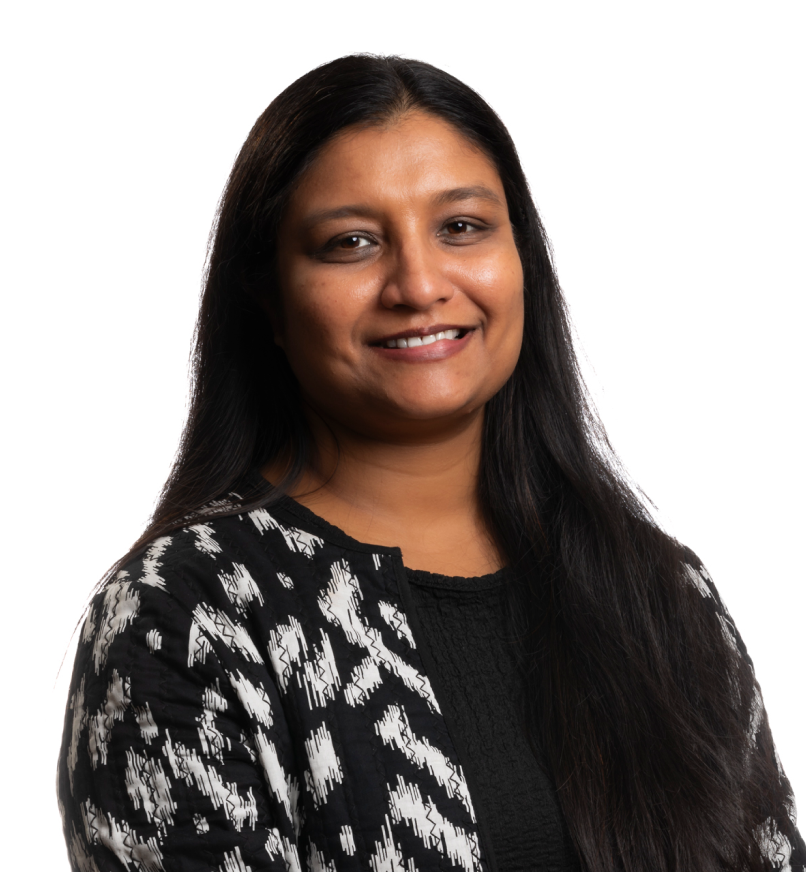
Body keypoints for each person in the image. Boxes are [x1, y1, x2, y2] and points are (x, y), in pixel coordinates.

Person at [57, 55, 803, 872]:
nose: (418, 284)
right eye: (352, 243)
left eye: (461, 227)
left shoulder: (659, 597)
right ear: (268, 300)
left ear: (522, 260)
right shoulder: (189, 615)